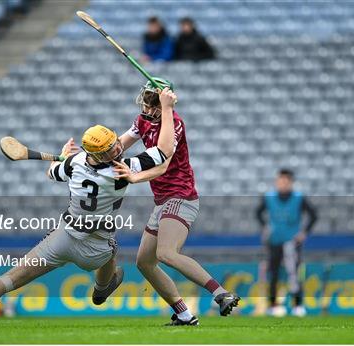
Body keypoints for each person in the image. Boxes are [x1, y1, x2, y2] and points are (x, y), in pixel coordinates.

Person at [0, 88, 178, 328]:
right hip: (96, 248)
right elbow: (165, 149)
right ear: (101, 153)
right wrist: (166, 109)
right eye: (111, 148)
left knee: (10, 278)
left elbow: (52, 172)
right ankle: (102, 289)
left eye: (115, 142)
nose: (117, 147)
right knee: (111, 250)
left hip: (62, 239)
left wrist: (61, 156)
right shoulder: (123, 169)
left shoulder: (74, 162)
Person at [116, 78, 240, 326]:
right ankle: (184, 314)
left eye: (151, 102)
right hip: (162, 201)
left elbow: (161, 166)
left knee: (166, 253)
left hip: (180, 196)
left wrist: (134, 177)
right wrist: (90, 155)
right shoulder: (142, 121)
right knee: (144, 262)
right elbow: (118, 146)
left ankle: (221, 293)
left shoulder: (175, 123)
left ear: (161, 103)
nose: (145, 106)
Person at [255, 169, 318, 317]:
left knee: (294, 273)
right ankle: (272, 305)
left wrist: (304, 232)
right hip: (275, 240)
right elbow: (258, 213)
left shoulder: (298, 197)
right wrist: (265, 227)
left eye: (285, 181)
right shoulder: (269, 197)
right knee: (274, 273)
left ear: (290, 182)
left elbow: (313, 215)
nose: (282, 184)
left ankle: (297, 305)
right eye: (279, 181)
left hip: (292, 242)